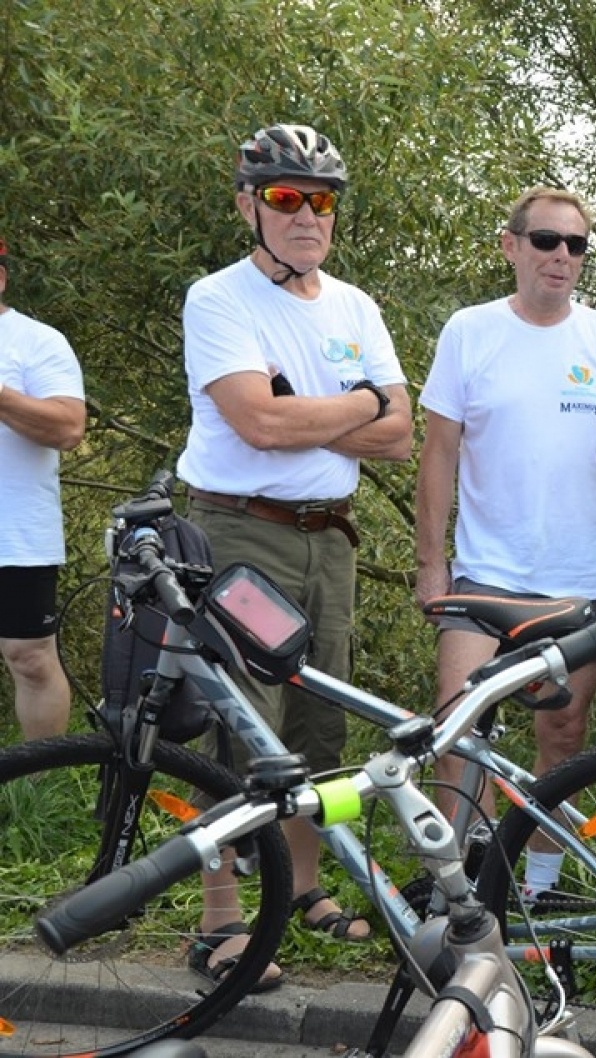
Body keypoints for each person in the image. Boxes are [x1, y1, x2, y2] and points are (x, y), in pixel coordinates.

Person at [177, 124, 413, 986]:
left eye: (321, 200)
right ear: (249, 205)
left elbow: (399, 436)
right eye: (285, 198)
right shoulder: (220, 299)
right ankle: (221, 922)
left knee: (323, 729)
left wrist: (321, 407)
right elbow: (258, 423)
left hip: (331, 538)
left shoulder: (355, 306)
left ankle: (306, 888)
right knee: (244, 723)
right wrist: (357, 400)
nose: (307, 214)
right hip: (242, 530)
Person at [415, 186, 596, 898]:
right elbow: (439, 453)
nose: (562, 257)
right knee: (455, 724)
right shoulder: (469, 329)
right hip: (484, 571)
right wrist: (431, 564)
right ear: (510, 246)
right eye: (546, 241)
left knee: (563, 731)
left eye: (577, 245)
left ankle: (538, 884)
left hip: (579, 574)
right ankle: (454, 887)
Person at [0, 235, 87, 741]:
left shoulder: (36, 341)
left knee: (30, 658)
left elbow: (68, 427)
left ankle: (40, 790)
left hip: (17, 531)